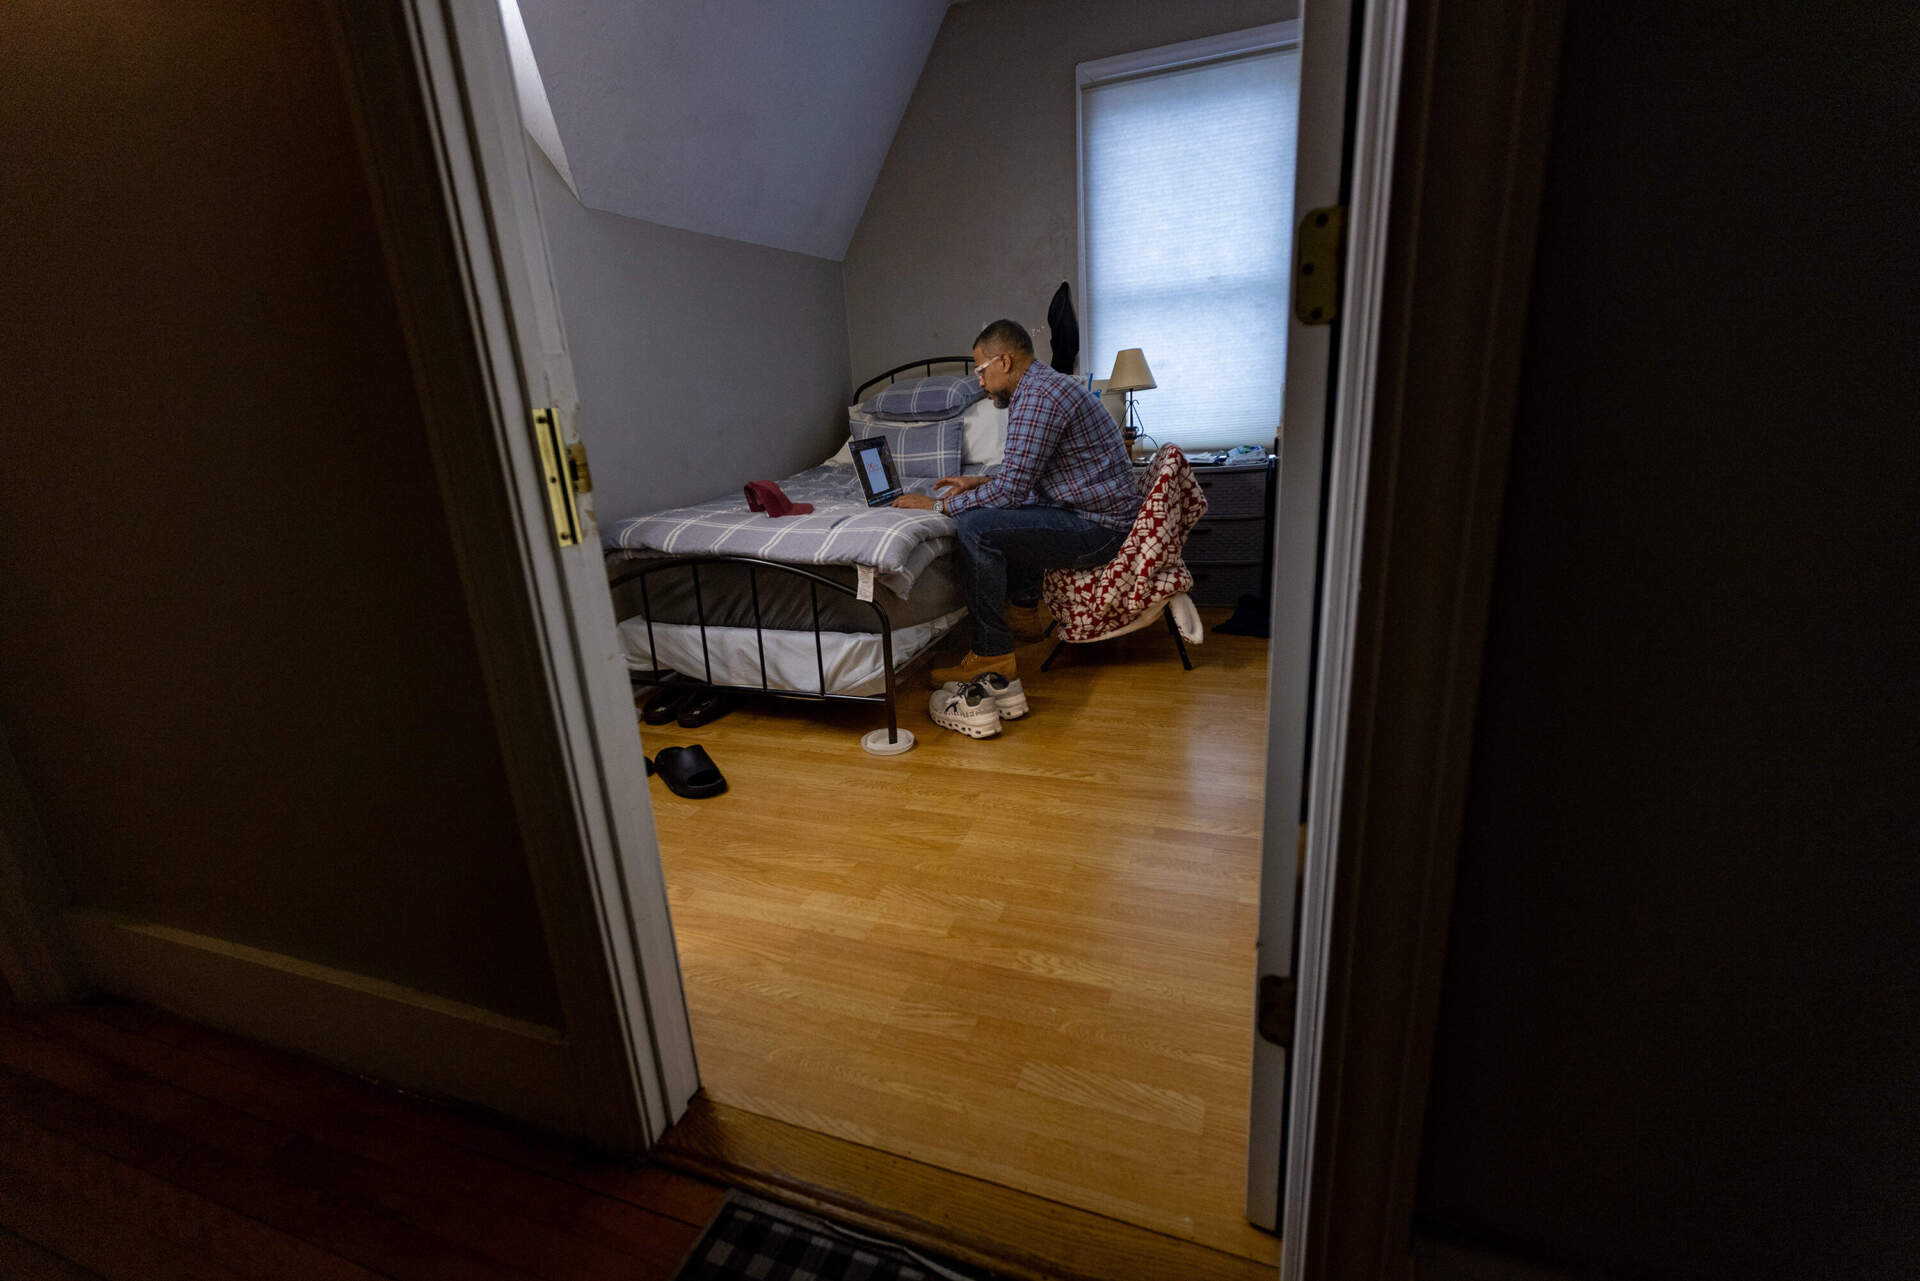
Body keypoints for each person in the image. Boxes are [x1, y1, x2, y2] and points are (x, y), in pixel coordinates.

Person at [893, 319, 1141, 687]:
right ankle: (1022, 613)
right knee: (1003, 511)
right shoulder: (1046, 386)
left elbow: (1010, 492)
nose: (979, 381)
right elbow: (1023, 476)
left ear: (1004, 362)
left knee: (976, 527)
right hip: (1097, 515)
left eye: (981, 369)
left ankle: (991, 654)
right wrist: (979, 480)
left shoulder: (1038, 397)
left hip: (1101, 529)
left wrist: (936, 507)